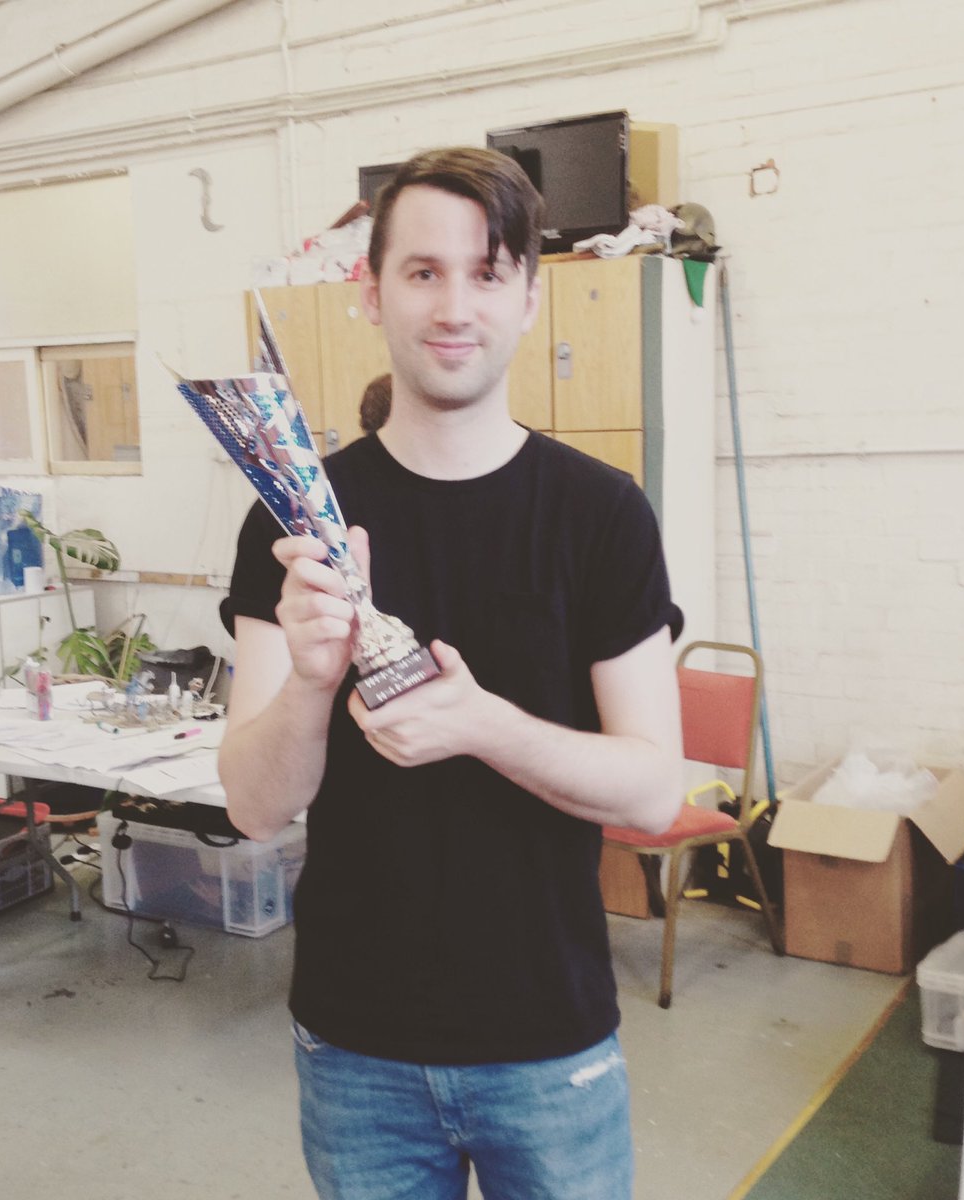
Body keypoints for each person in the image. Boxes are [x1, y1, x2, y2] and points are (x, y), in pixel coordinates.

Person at [219, 146, 684, 1200]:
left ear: (528, 297)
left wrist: (482, 726)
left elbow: (656, 792)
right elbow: (253, 807)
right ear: (371, 291)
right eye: (423, 271)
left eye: (487, 272)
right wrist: (308, 684)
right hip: (357, 1050)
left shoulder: (602, 515)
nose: (455, 306)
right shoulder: (296, 520)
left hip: (549, 1043)